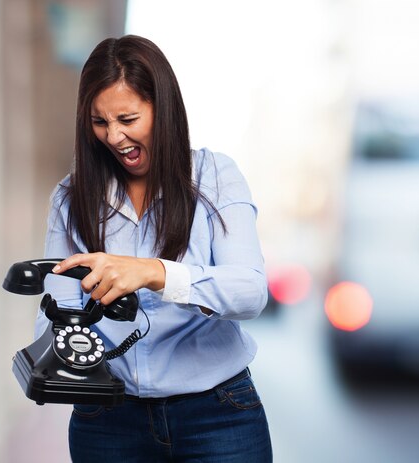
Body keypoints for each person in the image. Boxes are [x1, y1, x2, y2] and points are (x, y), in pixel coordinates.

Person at [36, 34, 273, 462]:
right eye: (99, 122)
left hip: (218, 414)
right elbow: (56, 306)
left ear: (162, 108)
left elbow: (250, 291)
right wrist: (53, 362)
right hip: (107, 419)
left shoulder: (216, 177)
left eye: (128, 118)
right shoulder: (70, 197)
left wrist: (154, 272)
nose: (113, 136)